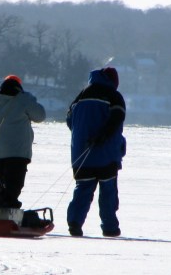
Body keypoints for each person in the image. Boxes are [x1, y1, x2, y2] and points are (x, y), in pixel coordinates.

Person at [66, 66, 126, 237]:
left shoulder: (80, 96)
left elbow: (70, 121)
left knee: (83, 189)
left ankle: (74, 224)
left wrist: (82, 135)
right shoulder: (114, 96)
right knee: (108, 191)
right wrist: (103, 136)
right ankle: (109, 227)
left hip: (80, 154)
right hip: (106, 154)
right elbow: (116, 120)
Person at [0, 75, 46, 208]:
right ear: (19, 87)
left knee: (7, 186)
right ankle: (5, 214)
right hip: (18, 153)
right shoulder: (23, 99)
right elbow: (40, 116)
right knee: (14, 187)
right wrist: (29, 97)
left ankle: (2, 210)